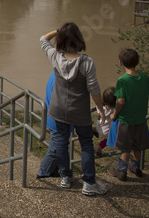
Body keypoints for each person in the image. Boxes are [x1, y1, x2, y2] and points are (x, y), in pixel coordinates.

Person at [40, 23, 108, 196]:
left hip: (58, 109)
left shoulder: (56, 57)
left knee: (61, 142)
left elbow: (42, 39)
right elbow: (94, 90)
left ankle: (66, 177)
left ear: (61, 39)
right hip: (79, 111)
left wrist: (57, 31)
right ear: (79, 39)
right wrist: (101, 109)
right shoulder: (87, 62)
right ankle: (89, 182)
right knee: (86, 144)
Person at [107, 48, 149, 181]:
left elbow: (121, 101)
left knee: (125, 148)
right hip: (140, 119)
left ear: (120, 63)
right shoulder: (144, 77)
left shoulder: (122, 80)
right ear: (137, 62)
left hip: (125, 120)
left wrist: (114, 114)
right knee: (137, 145)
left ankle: (121, 171)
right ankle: (136, 168)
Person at [37, 71, 74, 178]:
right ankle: (43, 173)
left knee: (58, 146)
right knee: (56, 149)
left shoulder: (56, 72)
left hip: (52, 117)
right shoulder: (63, 78)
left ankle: (52, 171)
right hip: (58, 120)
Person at [94, 87, 116, 156]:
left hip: (99, 125)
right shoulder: (114, 110)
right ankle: (99, 149)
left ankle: (93, 129)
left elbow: (99, 115)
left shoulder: (101, 106)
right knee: (109, 138)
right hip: (106, 131)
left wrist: (98, 121)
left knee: (101, 127)